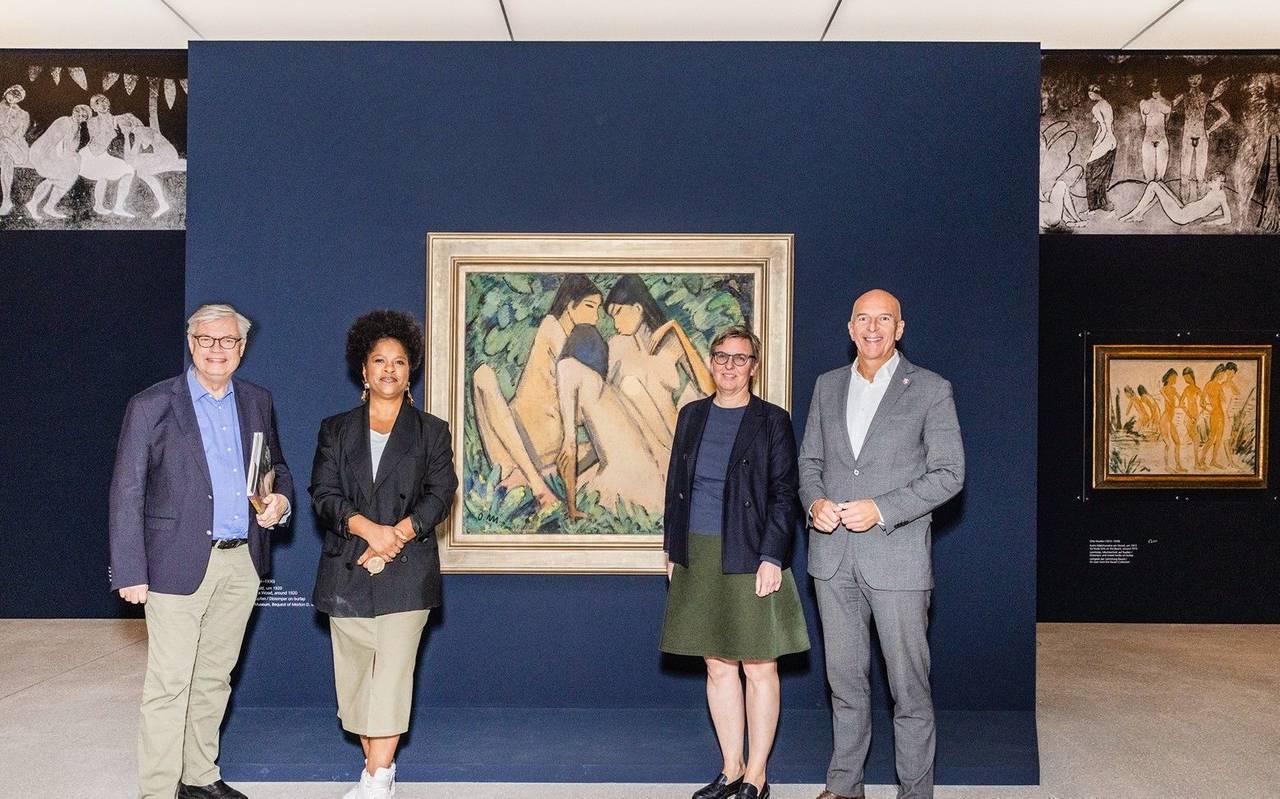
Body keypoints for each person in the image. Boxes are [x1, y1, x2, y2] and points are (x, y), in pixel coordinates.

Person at [109, 303, 294, 799]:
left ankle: (199, 777)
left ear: (242, 347)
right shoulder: (151, 405)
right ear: (191, 344)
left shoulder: (257, 400)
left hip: (242, 562)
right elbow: (126, 491)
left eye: (228, 340)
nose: (217, 349)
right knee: (169, 684)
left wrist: (280, 500)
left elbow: (276, 468)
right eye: (207, 340)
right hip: (173, 564)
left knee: (215, 677)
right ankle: (157, 790)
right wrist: (130, 569)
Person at [798, 289, 964, 799]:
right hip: (832, 560)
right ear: (850, 329)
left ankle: (915, 792)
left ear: (900, 328)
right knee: (844, 685)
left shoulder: (931, 389)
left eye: (884, 319)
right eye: (864, 319)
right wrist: (815, 503)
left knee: (908, 691)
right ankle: (844, 786)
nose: (873, 328)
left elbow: (950, 473)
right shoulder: (827, 386)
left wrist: (881, 508)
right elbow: (809, 463)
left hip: (897, 561)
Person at [311, 310, 458, 799]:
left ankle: (377, 780)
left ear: (410, 370)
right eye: (380, 360)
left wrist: (396, 535)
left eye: (399, 361)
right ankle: (377, 770)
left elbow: (441, 493)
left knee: (392, 675)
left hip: (407, 569)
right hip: (348, 568)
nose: (389, 369)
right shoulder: (335, 430)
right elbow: (324, 494)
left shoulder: (432, 431)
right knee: (356, 680)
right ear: (364, 369)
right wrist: (369, 532)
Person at [660, 325, 810, 799]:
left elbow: (784, 494)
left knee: (759, 666)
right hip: (698, 551)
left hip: (750, 550)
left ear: (754, 366)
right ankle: (731, 768)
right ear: (711, 362)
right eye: (722, 356)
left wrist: (772, 556)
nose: (729, 366)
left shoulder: (772, 420)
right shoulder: (691, 415)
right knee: (717, 663)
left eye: (740, 358)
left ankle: (757, 776)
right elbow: (675, 486)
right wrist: (672, 549)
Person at [471, 275, 602, 511]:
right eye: (590, 306)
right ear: (569, 306)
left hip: (548, 459)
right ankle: (536, 484)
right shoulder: (552, 326)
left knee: (603, 447)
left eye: (598, 309)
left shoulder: (581, 349)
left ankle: (528, 479)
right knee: (483, 375)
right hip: (513, 449)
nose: (596, 317)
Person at [555, 322, 668, 517]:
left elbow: (570, 447)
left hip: (625, 485)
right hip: (651, 483)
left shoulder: (567, 367)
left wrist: (572, 509)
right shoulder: (604, 387)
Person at [604, 275, 715, 451]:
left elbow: (708, 388)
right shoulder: (619, 345)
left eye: (618, 312)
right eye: (612, 317)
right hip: (645, 438)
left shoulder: (671, 341)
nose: (615, 323)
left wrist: (676, 328)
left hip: (678, 434)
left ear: (638, 308)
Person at [25, 103, 90, 221]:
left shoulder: (77, 127)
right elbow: (54, 142)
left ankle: (49, 206)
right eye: (78, 113)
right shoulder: (64, 121)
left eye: (83, 116)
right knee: (58, 176)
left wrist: (70, 157)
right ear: (74, 111)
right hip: (44, 152)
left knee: (69, 177)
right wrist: (64, 159)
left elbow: (72, 147)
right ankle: (33, 204)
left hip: (58, 154)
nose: (80, 117)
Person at [79, 93, 138, 217]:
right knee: (103, 175)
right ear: (94, 108)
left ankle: (118, 207)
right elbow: (97, 140)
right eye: (98, 103)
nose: (103, 104)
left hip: (103, 155)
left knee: (128, 172)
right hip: (90, 155)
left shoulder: (116, 119)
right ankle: (98, 205)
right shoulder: (92, 121)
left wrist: (129, 121)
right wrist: (112, 128)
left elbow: (133, 126)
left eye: (104, 101)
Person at [119, 114, 187, 218]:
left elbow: (129, 158)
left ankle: (163, 204)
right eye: (120, 126)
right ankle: (163, 204)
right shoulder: (139, 131)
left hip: (166, 155)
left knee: (140, 168)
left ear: (131, 122)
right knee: (142, 171)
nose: (122, 128)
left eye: (124, 124)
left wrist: (126, 136)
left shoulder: (140, 131)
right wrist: (126, 136)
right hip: (166, 154)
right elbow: (131, 157)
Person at [1119, 172, 1232, 227]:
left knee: (1153, 185)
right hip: (1183, 208)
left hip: (1181, 216)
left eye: (1213, 181)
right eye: (1211, 180)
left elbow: (1228, 219)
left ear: (1221, 183)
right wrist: (1207, 215)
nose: (1210, 182)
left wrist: (1206, 223)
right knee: (1160, 183)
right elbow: (1217, 211)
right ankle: (1140, 214)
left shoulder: (1221, 196)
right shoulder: (1215, 192)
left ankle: (1132, 214)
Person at [1084, 84, 1116, 212]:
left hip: (1104, 142)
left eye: (1090, 94)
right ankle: (1102, 204)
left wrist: (1095, 145)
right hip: (1112, 141)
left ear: (1094, 93)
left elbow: (1103, 129)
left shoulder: (1096, 107)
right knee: (1102, 175)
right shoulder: (1107, 105)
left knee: (1090, 172)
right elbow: (1111, 127)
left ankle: (1092, 207)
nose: (1089, 96)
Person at [0, 84, 30, 216]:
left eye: (17, 96)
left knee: (5, 147)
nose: (13, 97)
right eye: (12, 93)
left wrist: (5, 134)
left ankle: (6, 199)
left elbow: (19, 135)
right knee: (5, 157)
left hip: (16, 148)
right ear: (7, 92)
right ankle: (6, 200)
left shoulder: (23, 114)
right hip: (3, 149)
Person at [1139, 82, 1172, 182]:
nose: (1155, 85)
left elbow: (1166, 122)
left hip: (1161, 138)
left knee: (1160, 175)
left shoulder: (1167, 102)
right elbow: (1144, 121)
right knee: (1148, 175)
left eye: (1158, 82)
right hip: (1148, 138)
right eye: (1153, 82)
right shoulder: (1143, 103)